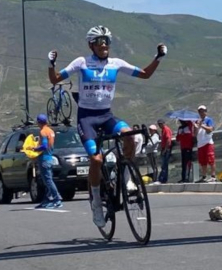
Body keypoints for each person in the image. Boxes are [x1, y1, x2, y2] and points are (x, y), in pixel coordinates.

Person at [48, 25, 167, 227]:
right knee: (96, 159)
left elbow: (145, 74)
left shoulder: (115, 64)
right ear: (91, 45)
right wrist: (51, 63)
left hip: (106, 115)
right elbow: (55, 79)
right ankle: (95, 202)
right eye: (99, 41)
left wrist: (158, 57)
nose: (104, 45)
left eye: (107, 41)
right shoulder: (82, 62)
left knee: (131, 136)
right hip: (87, 118)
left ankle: (126, 178)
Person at [28, 114, 62, 209]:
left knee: (48, 181)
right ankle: (47, 200)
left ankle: (56, 199)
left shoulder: (43, 132)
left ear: (39, 122)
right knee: (48, 180)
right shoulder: (51, 131)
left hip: (44, 158)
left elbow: (44, 145)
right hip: (50, 157)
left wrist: (34, 148)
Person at [194, 105, 216, 183]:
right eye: (200, 111)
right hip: (200, 144)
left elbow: (210, 129)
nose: (201, 113)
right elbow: (195, 134)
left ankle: (213, 176)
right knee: (202, 161)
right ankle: (204, 176)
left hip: (208, 142)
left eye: (203, 111)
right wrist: (196, 127)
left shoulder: (209, 120)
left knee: (211, 159)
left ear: (206, 111)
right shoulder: (197, 121)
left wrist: (202, 125)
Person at [154, 118, 172, 184]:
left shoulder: (166, 129)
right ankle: (163, 179)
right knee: (164, 165)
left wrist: (165, 149)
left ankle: (162, 179)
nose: (160, 125)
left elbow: (168, 140)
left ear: (163, 123)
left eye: (161, 124)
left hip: (166, 149)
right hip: (164, 148)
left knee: (164, 165)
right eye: (159, 124)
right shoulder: (163, 130)